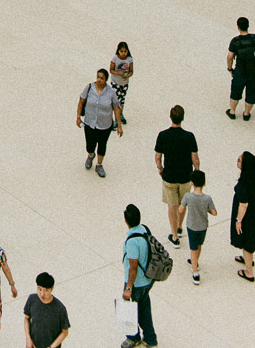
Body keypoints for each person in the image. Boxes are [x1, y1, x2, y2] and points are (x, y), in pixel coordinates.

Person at [154, 104, 199, 245]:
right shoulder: (189, 136)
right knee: (182, 204)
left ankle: (174, 236)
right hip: (186, 176)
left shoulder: (163, 135)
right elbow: (195, 158)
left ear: (170, 117)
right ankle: (179, 226)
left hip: (169, 176)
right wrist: (196, 172)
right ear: (183, 118)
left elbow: (157, 157)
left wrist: (160, 168)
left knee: (172, 205)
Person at [120, 204, 157, 347]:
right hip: (148, 279)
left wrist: (128, 288)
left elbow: (133, 267)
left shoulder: (132, 242)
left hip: (136, 282)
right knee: (144, 308)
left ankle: (133, 337)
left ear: (126, 221)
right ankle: (150, 338)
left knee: (130, 310)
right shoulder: (144, 230)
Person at [77, 68, 123, 177]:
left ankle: (99, 164)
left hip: (105, 125)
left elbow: (116, 108)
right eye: (98, 77)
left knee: (102, 145)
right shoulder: (89, 88)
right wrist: (78, 117)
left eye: (102, 78)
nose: (99, 80)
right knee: (90, 145)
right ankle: (91, 155)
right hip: (90, 123)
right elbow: (81, 102)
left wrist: (119, 125)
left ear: (106, 80)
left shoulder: (111, 92)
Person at [231, 150, 255, 280]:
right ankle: (247, 259)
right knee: (250, 237)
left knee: (246, 241)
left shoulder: (243, 184)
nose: (237, 161)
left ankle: (248, 272)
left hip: (247, 215)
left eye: (239, 160)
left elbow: (243, 205)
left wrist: (238, 220)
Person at [227, 17, 255, 119]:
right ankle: (246, 114)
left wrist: (230, 69)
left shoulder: (235, 41)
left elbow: (230, 57)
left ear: (238, 27)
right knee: (251, 93)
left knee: (235, 92)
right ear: (248, 26)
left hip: (240, 71)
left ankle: (232, 112)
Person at [180, 168, 216, 283]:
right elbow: (214, 212)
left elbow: (181, 210)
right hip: (203, 226)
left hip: (191, 226)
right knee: (199, 245)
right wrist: (207, 210)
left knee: (192, 248)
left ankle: (195, 272)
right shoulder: (207, 198)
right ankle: (195, 261)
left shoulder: (187, 196)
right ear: (204, 183)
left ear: (191, 183)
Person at [22, 273, 69, 348]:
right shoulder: (32, 299)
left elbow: (64, 332)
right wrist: (28, 339)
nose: (42, 294)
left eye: (46, 290)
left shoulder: (60, 308)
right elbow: (26, 318)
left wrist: (51, 347)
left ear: (52, 289)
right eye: (39, 289)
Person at [110, 43, 134, 119]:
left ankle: (121, 114)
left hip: (124, 83)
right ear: (118, 51)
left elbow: (131, 71)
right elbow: (111, 70)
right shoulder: (115, 58)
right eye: (121, 51)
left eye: (125, 51)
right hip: (115, 83)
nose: (123, 53)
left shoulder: (129, 59)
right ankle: (116, 118)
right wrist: (118, 73)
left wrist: (127, 75)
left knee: (122, 100)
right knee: (117, 100)